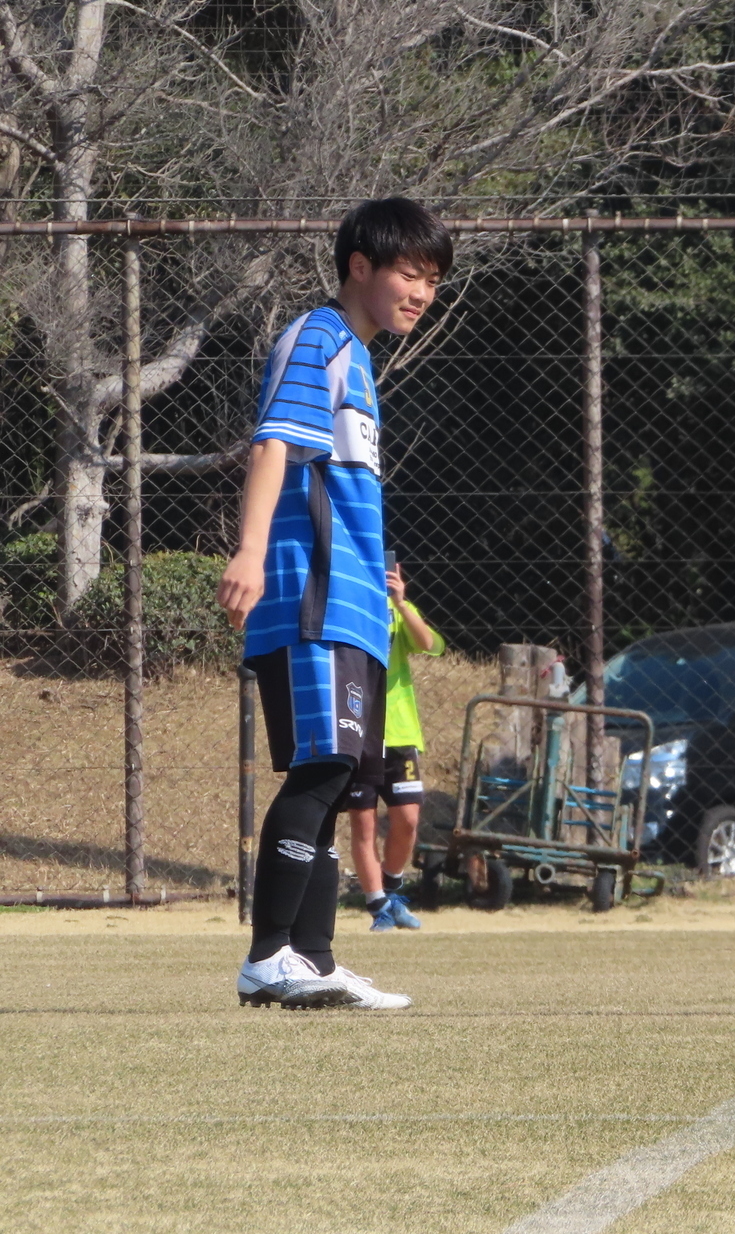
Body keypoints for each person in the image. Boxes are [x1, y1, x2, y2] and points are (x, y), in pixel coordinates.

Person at [217, 197, 451, 1010]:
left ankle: (310, 959)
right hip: (310, 590)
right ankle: (267, 956)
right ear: (361, 266)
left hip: (352, 600)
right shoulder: (319, 336)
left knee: (347, 773)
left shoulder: (358, 354)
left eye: (432, 281)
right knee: (320, 767)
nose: (422, 293)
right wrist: (250, 550)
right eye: (411, 275)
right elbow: (275, 442)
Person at [348, 559, 445, 931]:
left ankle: (391, 887)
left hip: (400, 733)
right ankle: (378, 908)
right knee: (364, 822)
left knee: (407, 819)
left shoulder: (396, 609)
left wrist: (402, 602)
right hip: (356, 731)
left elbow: (430, 644)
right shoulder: (346, 607)